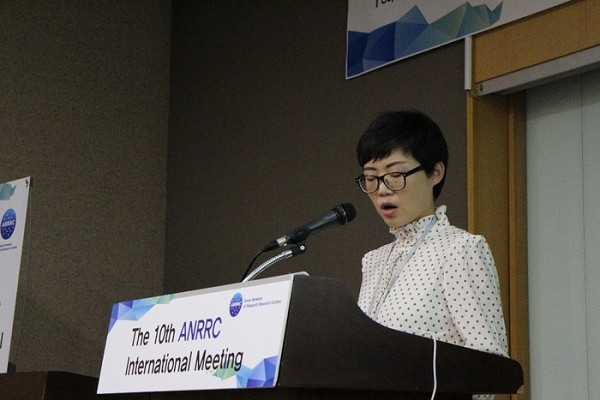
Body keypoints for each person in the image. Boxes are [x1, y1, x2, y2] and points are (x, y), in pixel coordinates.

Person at [355, 110, 507, 400]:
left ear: (435, 173)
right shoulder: (373, 261)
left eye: (395, 175)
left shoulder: (461, 249)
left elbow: (490, 365)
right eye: (371, 178)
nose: (382, 190)